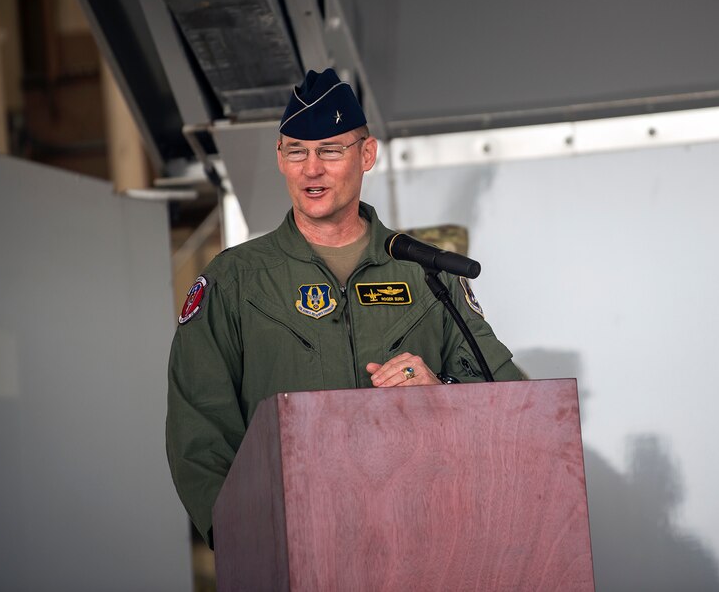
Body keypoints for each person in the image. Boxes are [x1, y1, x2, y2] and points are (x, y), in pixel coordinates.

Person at [166, 68, 523, 546]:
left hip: (425, 538)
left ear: (366, 154)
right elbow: (199, 430)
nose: (311, 169)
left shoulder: (424, 273)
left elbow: (509, 398)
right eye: (297, 151)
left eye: (331, 151)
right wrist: (242, 540)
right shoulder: (234, 280)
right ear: (280, 157)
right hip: (295, 543)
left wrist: (442, 392)